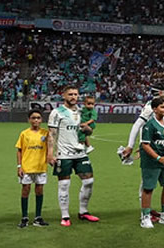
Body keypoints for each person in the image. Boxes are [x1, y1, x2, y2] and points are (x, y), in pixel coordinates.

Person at [49, 85, 100, 227]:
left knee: (89, 181)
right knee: (64, 184)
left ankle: (83, 212)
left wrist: (88, 129)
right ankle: (65, 216)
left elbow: (88, 132)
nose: (73, 97)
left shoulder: (82, 112)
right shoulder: (57, 112)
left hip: (80, 153)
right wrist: (50, 153)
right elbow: (52, 134)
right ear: (63, 96)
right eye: (70, 94)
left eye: (76, 94)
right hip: (64, 154)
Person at [122, 85, 164, 222]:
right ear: (160, 93)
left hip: (153, 144)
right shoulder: (151, 107)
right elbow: (137, 125)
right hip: (149, 148)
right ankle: (145, 213)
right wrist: (131, 146)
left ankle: (148, 210)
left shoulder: (159, 106)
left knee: (151, 181)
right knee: (147, 182)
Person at [138, 97, 164, 229]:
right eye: (162, 107)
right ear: (155, 109)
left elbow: (162, 140)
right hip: (152, 161)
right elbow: (145, 145)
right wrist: (158, 158)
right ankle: (145, 216)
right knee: (148, 188)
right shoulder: (149, 125)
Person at [15, 110, 50, 228]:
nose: (36, 120)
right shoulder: (24, 134)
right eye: (33, 118)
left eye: (38, 118)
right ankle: (24, 217)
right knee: (26, 190)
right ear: (29, 120)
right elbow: (19, 150)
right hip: (27, 167)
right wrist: (19, 166)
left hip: (41, 166)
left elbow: (50, 148)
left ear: (41, 120)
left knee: (39, 190)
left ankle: (38, 217)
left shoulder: (46, 133)